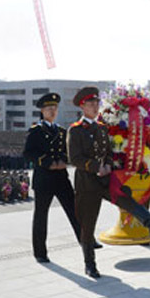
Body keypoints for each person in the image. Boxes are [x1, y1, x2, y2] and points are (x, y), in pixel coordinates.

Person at [68, 86, 150, 278]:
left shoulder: (101, 128)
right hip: (87, 183)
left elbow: (108, 152)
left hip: (106, 179)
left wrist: (106, 164)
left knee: (126, 199)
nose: (95, 106)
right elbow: (75, 158)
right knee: (88, 224)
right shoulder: (75, 131)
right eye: (91, 103)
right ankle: (90, 264)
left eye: (97, 102)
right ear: (82, 107)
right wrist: (96, 166)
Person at [23, 92, 100, 264]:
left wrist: (65, 161)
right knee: (41, 216)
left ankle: (86, 241)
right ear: (42, 111)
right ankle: (40, 252)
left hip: (61, 177)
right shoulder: (36, 131)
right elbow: (28, 153)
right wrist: (47, 162)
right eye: (49, 108)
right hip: (44, 178)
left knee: (75, 211)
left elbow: (69, 151)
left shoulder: (62, 131)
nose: (52, 111)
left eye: (55, 108)